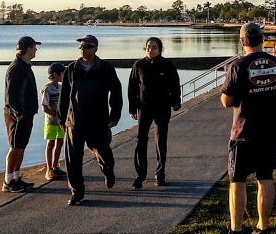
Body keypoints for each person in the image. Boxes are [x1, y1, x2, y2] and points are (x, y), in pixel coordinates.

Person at [218, 22, 276, 234]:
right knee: (265, 178)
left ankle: (236, 233)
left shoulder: (237, 65)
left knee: (237, 180)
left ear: (242, 42)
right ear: (262, 39)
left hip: (244, 131)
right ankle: (261, 229)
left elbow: (227, 101)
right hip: (270, 130)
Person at [57, 34, 123, 205]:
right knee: (73, 160)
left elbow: (116, 92)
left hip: (98, 121)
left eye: (86, 46)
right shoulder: (71, 69)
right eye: (80, 46)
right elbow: (64, 96)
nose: (82, 49)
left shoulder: (106, 68)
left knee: (104, 153)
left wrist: (114, 116)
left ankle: (108, 171)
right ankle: (77, 192)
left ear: (95, 48)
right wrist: (62, 118)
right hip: (75, 122)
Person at [128, 37, 182, 189]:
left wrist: (176, 101)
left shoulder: (167, 65)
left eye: (154, 47)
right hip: (144, 107)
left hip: (162, 107)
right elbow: (132, 87)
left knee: (161, 140)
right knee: (141, 140)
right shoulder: (139, 65)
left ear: (160, 49)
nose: (150, 49)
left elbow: (175, 84)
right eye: (148, 47)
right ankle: (141, 174)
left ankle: (160, 173)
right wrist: (132, 107)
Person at [3, 36, 41, 193]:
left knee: (21, 146)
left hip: (27, 113)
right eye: (34, 47)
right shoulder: (16, 68)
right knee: (15, 147)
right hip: (18, 115)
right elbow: (11, 95)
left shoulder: (25, 66)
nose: (36, 50)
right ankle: (8, 181)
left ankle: (16, 177)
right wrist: (18, 113)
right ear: (28, 49)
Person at [41, 62, 67, 180]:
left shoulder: (61, 87)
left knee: (60, 142)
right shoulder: (47, 89)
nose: (63, 76)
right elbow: (45, 107)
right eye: (62, 73)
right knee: (50, 143)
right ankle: (49, 168)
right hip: (51, 121)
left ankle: (56, 166)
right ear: (56, 74)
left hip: (61, 121)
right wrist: (55, 115)